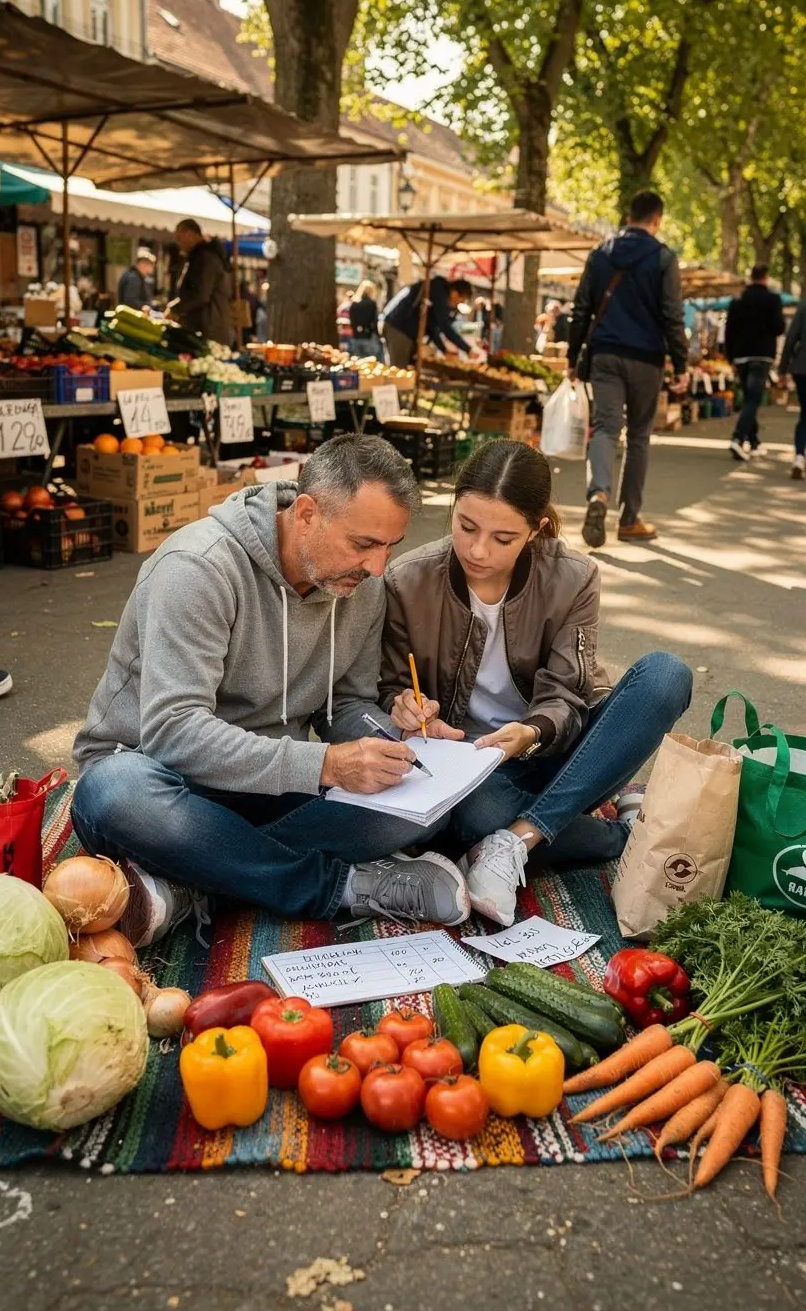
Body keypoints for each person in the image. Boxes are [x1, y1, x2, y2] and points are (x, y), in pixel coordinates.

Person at [70, 436, 471, 945]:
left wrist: (392, 734)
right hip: (162, 779)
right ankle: (338, 887)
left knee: (419, 807)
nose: (377, 567)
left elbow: (343, 706)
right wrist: (327, 765)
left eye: (391, 545)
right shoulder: (199, 568)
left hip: (264, 787)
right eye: (364, 543)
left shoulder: (362, 589)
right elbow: (174, 732)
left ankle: (197, 880)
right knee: (114, 792)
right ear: (305, 513)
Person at [380, 439, 692, 926]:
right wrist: (404, 707)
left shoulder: (574, 577)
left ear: (536, 529)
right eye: (465, 526)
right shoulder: (407, 580)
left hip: (560, 747)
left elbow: (568, 694)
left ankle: (517, 838)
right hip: (477, 768)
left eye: (503, 538)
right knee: (475, 817)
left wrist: (531, 733)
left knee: (666, 675)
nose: (478, 550)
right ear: (454, 506)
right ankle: (620, 834)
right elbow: (392, 686)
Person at [568, 189, 688, 548]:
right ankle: (630, 519)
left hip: (605, 354)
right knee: (638, 437)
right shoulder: (664, 258)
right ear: (658, 219)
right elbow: (672, 315)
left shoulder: (599, 254)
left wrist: (574, 356)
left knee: (605, 427)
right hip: (647, 359)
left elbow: (581, 309)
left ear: (627, 215)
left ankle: (599, 495)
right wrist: (680, 363)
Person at [726, 265, 785, 463]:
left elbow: (729, 331)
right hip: (761, 356)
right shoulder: (773, 300)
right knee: (753, 398)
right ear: (766, 277)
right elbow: (779, 328)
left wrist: (730, 357)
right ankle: (738, 438)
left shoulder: (738, 300)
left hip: (741, 356)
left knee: (748, 397)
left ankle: (754, 440)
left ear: (751, 277)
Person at [382, 276, 477, 367]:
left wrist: (444, 350)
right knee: (399, 370)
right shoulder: (440, 292)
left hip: (401, 330)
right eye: (460, 301)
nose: (456, 305)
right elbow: (444, 326)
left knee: (403, 369)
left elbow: (432, 327)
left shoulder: (438, 292)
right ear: (455, 293)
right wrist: (468, 349)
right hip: (399, 329)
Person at [167, 219, 232, 346]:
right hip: (206, 327)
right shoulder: (199, 257)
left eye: (179, 238)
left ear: (190, 234)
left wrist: (175, 309)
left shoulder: (205, 258)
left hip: (209, 330)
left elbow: (200, 295)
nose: (178, 243)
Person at [778, 296, 806, 480]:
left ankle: (798, 456)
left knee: (805, 414)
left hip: (802, 366)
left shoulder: (804, 304)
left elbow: (791, 337)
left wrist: (783, 368)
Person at [348, 279, 385, 359]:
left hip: (356, 337)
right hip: (369, 337)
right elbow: (374, 322)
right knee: (370, 365)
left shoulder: (354, 304)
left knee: (357, 364)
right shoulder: (372, 304)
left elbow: (352, 321)